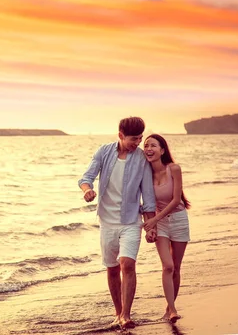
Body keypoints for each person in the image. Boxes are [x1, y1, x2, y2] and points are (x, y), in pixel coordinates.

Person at [78, 117, 156, 329]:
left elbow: (148, 196)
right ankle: (118, 312)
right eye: (134, 138)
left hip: (131, 220)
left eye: (140, 137)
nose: (138, 142)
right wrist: (88, 191)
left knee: (127, 264)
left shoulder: (141, 159)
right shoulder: (104, 151)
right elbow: (86, 177)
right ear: (121, 135)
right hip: (107, 221)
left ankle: (126, 315)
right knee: (112, 268)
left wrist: (150, 226)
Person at [142, 134, 190, 324]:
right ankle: (173, 309)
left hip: (178, 220)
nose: (149, 148)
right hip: (159, 223)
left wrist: (154, 220)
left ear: (162, 150)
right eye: (146, 145)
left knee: (176, 268)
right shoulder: (145, 174)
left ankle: (169, 308)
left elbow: (176, 200)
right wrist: (150, 226)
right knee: (167, 266)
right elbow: (146, 203)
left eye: (153, 145)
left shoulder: (174, 169)